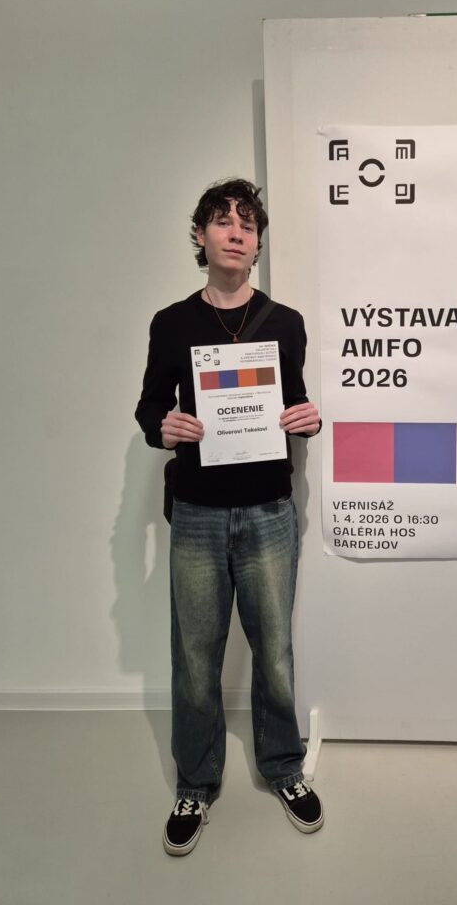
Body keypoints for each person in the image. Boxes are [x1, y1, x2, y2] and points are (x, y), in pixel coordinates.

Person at [135, 178, 323, 856]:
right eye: (222, 220)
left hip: (269, 511)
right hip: (197, 513)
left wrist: (310, 419)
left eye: (248, 222)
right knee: (194, 656)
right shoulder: (172, 323)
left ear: (258, 242)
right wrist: (165, 426)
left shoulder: (285, 323)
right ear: (201, 235)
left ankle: (284, 767)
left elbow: (295, 404)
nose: (236, 231)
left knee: (274, 651)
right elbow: (149, 408)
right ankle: (195, 782)